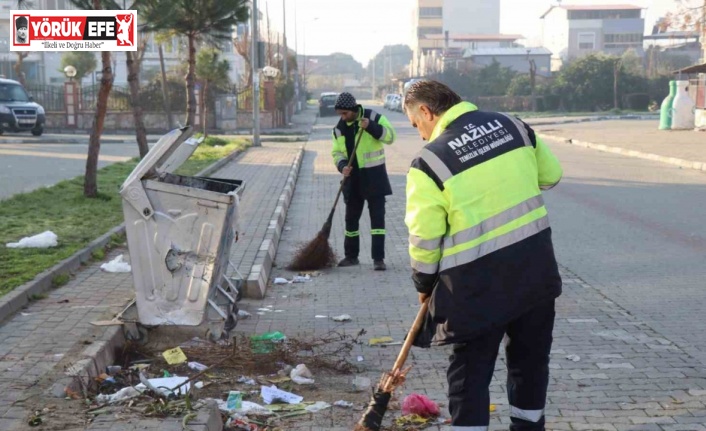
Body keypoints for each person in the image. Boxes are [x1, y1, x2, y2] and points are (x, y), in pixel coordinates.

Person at [403, 80, 563, 431]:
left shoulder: (429, 162)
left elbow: (425, 238)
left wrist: (424, 283)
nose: (421, 135)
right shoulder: (513, 125)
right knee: (530, 363)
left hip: (475, 289)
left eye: (417, 125)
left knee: (470, 374)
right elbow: (551, 176)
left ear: (427, 112)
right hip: (535, 275)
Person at [331, 92, 395, 271]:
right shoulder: (338, 129)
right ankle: (351, 256)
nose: (342, 117)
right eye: (340, 114)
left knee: (377, 221)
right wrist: (342, 166)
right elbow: (336, 153)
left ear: (352, 109)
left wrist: (371, 127)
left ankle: (378, 259)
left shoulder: (373, 116)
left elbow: (390, 136)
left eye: (344, 113)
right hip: (352, 181)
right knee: (351, 221)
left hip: (375, 178)